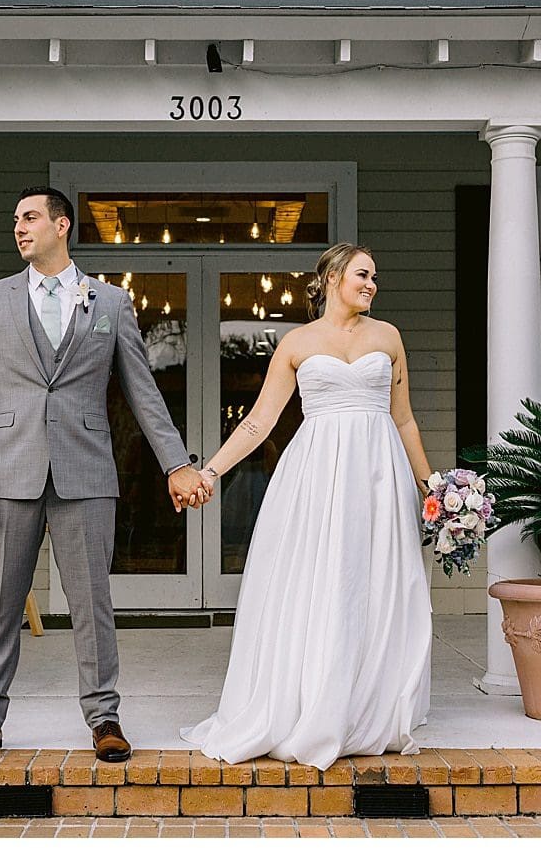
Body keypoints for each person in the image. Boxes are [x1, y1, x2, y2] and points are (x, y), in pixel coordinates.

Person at [0, 187, 210, 765]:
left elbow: (143, 392)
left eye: (31, 218)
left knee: (92, 603)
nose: (19, 228)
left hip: (86, 473)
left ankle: (104, 717)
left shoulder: (110, 304)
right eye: (15, 219)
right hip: (7, 470)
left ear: (61, 226)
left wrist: (176, 463)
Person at [181, 242, 436, 770]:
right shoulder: (296, 343)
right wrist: (210, 471)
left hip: (378, 474)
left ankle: (367, 706)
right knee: (322, 583)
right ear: (335, 276)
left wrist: (430, 484)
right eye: (363, 274)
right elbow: (258, 422)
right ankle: (310, 702)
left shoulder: (387, 338)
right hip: (317, 473)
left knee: (377, 581)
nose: (371, 284)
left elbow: (404, 418)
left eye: (375, 277)